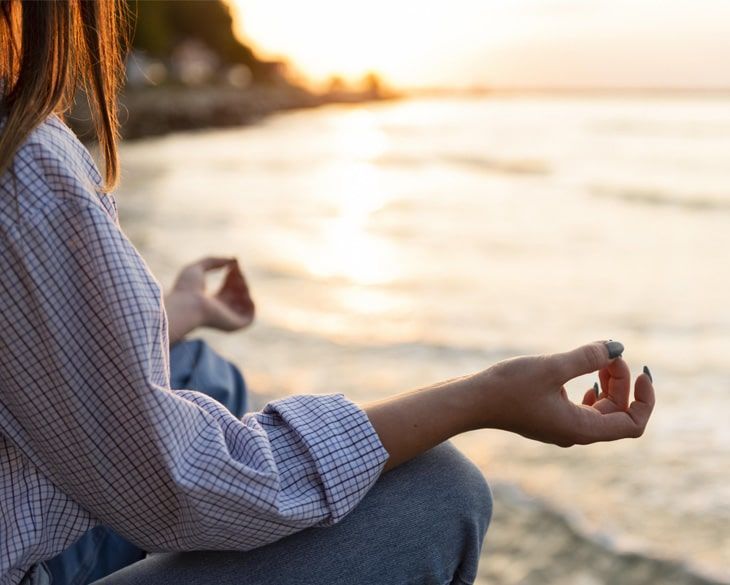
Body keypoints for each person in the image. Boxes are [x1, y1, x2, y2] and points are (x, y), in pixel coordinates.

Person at [0, 2, 656, 584]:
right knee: (437, 492)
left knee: (199, 371)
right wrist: (481, 396)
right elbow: (184, 480)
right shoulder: (22, 159)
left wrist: (184, 309)